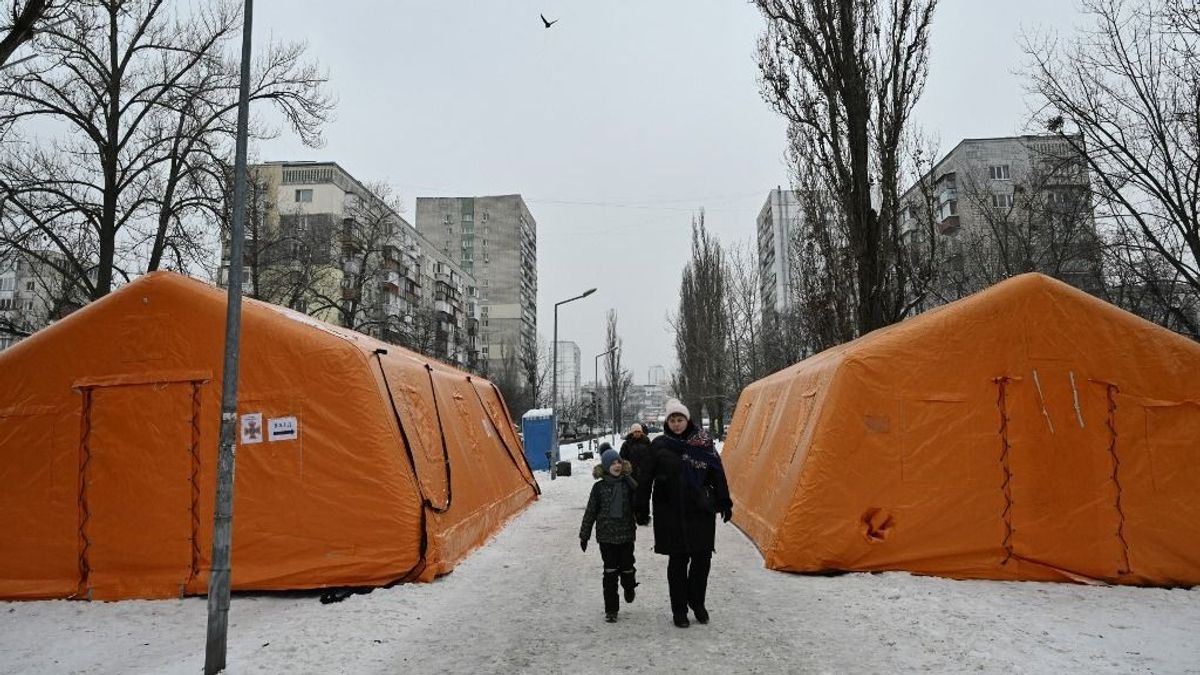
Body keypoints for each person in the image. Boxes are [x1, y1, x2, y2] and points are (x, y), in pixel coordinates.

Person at [634, 398, 732, 628]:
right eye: (673, 419)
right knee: (678, 561)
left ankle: (697, 602)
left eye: (680, 419)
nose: (677, 423)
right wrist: (640, 507)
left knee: (702, 559)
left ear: (687, 420)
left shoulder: (704, 443)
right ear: (667, 422)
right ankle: (679, 609)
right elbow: (645, 477)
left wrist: (724, 502)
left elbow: (717, 473)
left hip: (700, 509)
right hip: (670, 511)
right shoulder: (659, 445)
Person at [579, 447, 639, 623]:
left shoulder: (629, 484)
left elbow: (639, 505)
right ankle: (611, 609)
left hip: (626, 535)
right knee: (610, 572)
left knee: (627, 568)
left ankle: (629, 587)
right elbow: (590, 512)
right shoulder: (598, 488)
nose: (616, 465)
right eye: (612, 463)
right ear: (605, 466)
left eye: (618, 461)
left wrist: (643, 515)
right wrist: (584, 535)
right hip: (606, 537)